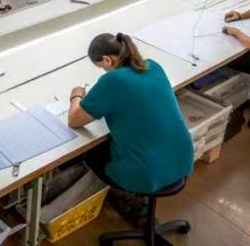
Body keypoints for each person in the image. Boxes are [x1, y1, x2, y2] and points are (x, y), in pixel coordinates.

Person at [68, 33, 193, 224]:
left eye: (101, 68)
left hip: (148, 171)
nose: (103, 72)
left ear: (108, 60)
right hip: (182, 158)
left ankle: (130, 201)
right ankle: (132, 196)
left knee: (90, 154)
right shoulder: (153, 65)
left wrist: (76, 96)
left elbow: (74, 120)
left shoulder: (113, 81)